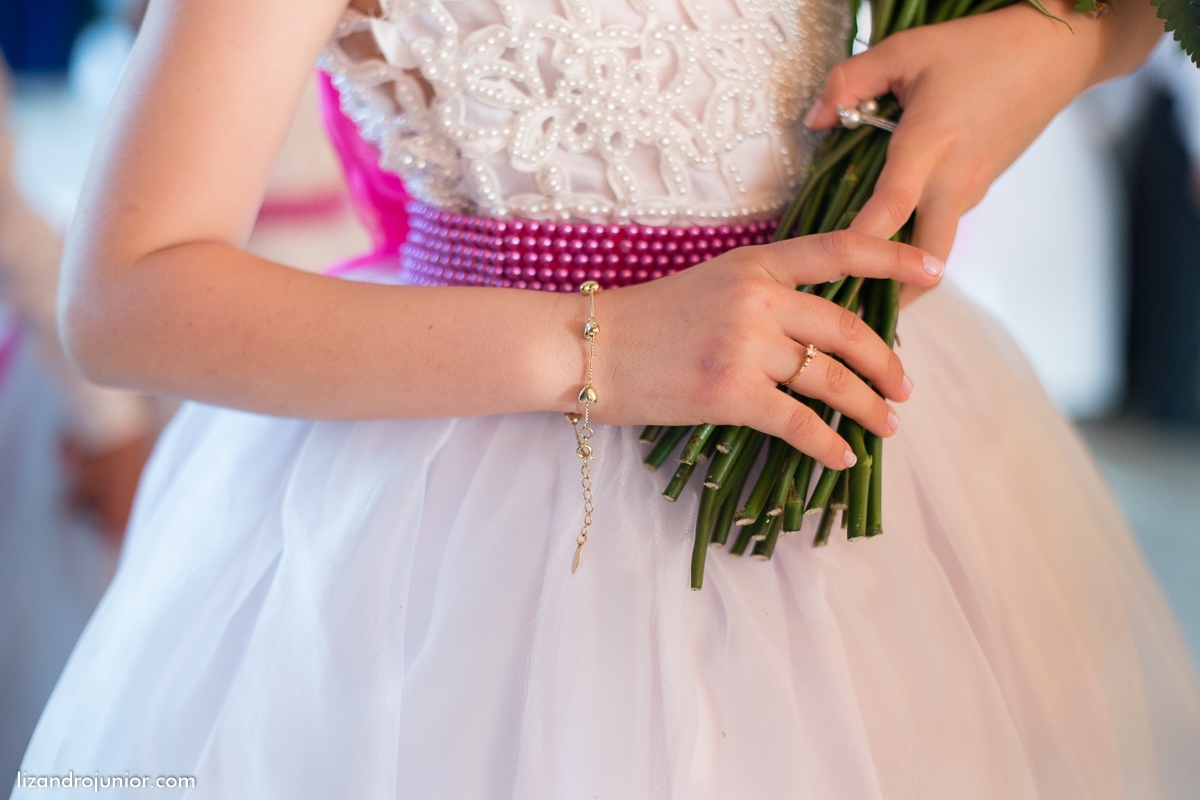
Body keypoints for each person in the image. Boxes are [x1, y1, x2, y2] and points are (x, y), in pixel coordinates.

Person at [14, 0, 1200, 797]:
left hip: (883, 443)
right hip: (486, 510)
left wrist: (1060, 46)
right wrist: (601, 342)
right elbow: (126, 292)